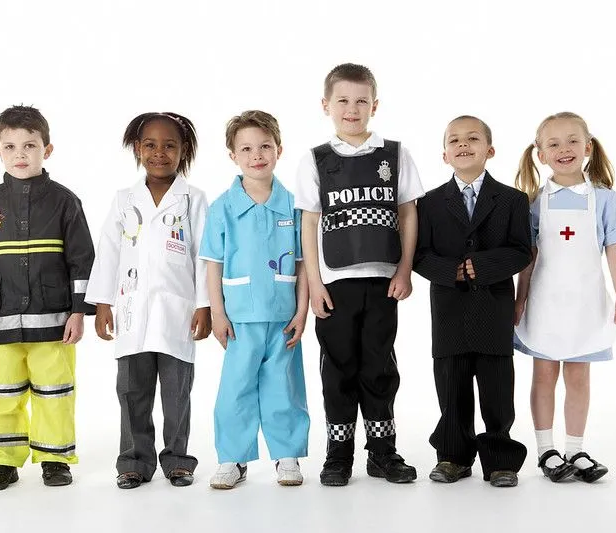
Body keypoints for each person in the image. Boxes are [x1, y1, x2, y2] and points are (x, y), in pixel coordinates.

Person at [295, 63, 424, 486]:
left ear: (375, 105)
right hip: (334, 282)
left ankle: (382, 452)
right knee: (338, 367)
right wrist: (315, 283)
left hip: (384, 278)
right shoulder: (317, 159)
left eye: (361, 101)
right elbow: (309, 224)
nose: (353, 109)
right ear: (327, 105)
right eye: (344, 101)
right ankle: (338, 454)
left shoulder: (395, 153)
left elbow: (407, 212)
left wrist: (404, 269)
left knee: (379, 365)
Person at [0, 105, 95, 490]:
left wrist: (79, 312)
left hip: (53, 323)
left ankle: (55, 457)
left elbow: (83, 259)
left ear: (46, 150)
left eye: (29, 145)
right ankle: (1, 460)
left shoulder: (65, 202)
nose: (20, 154)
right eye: (11, 146)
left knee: (55, 390)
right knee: (2, 392)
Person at [85, 112, 211, 489]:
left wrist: (205, 305)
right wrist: (103, 303)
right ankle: (134, 461)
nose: (160, 153)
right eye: (151, 145)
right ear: (138, 149)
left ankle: (178, 459)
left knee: (177, 394)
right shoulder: (125, 200)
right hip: (131, 311)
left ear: (183, 150)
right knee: (132, 392)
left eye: (169, 145)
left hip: (178, 312)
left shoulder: (194, 199)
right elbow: (108, 252)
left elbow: (205, 256)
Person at [514, 111, 616, 483]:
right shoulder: (534, 201)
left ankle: (575, 449)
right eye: (553, 143)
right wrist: (519, 300)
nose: (564, 149)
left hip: (585, 303)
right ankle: (546, 449)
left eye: (572, 141)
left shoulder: (603, 199)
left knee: (579, 378)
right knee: (544, 375)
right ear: (540, 152)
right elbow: (528, 257)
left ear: (587, 146)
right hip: (545, 304)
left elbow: (614, 248)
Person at [413, 115, 531, 487]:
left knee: (497, 390)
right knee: (451, 388)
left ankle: (499, 460)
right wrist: (453, 272)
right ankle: (452, 456)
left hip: (493, 308)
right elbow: (419, 254)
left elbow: (520, 251)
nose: (463, 144)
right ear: (445, 154)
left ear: (489, 150)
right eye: (454, 140)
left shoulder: (512, 199)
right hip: (448, 310)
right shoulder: (429, 202)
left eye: (473, 138)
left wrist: (478, 266)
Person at [200, 110, 310, 489]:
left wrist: (301, 312)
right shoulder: (222, 208)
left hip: (283, 317)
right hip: (239, 317)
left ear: (279, 149)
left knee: (284, 384)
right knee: (236, 388)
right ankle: (233, 458)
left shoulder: (295, 207)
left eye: (265, 146)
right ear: (233, 155)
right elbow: (213, 264)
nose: (256, 154)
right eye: (245, 148)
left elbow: (302, 264)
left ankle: (287, 455)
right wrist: (217, 312)